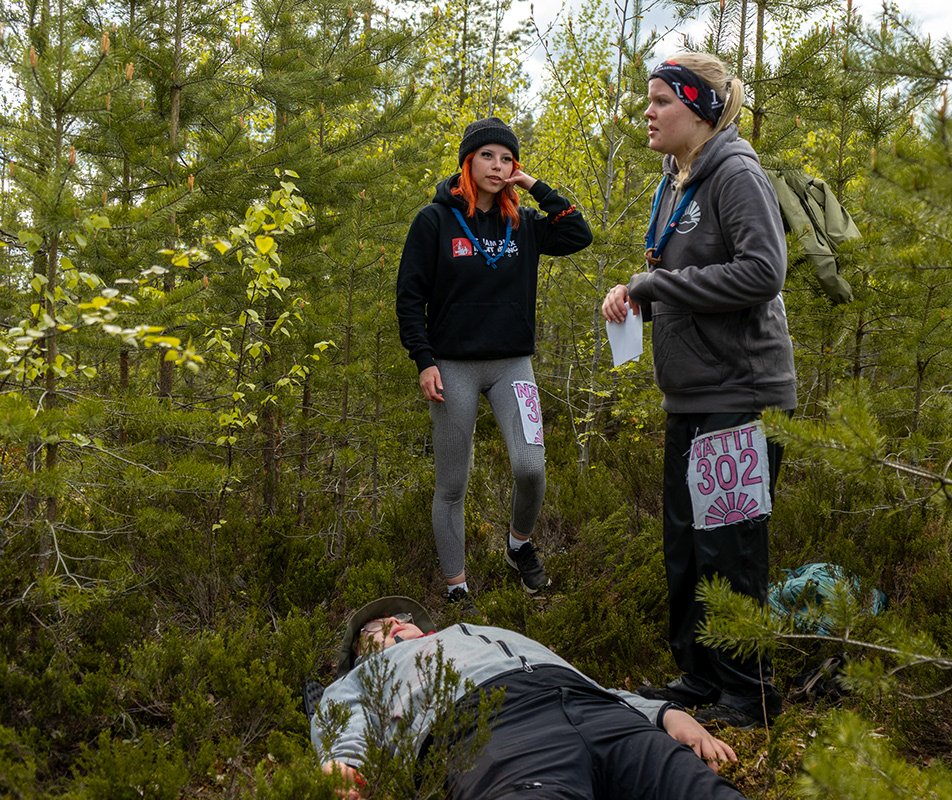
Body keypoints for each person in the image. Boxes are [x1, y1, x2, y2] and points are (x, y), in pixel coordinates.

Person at [601, 53, 796, 728]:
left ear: (700, 109)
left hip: (740, 391)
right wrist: (638, 298)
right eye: (648, 99)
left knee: (729, 548)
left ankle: (749, 694)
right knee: (686, 543)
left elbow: (764, 272)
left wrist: (659, 285)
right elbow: (685, 280)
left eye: (661, 100)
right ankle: (699, 676)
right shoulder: (674, 181)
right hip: (690, 394)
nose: (648, 111)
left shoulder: (736, 174)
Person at [396, 117, 592, 604]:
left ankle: (518, 545)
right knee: (452, 484)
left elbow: (578, 233)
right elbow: (409, 298)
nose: (498, 166)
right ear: (468, 161)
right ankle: (456, 586)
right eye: (488, 155)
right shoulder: (433, 221)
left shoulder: (523, 224)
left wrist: (534, 186)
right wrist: (424, 360)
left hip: (512, 366)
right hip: (452, 367)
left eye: (508, 159)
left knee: (531, 467)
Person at [312, 595, 749, 800]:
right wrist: (341, 764)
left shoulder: (480, 633)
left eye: (398, 617)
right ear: (359, 655)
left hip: (598, 712)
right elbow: (341, 716)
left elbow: (589, 682)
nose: (391, 622)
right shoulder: (363, 675)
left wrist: (665, 714)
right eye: (374, 629)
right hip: (490, 728)